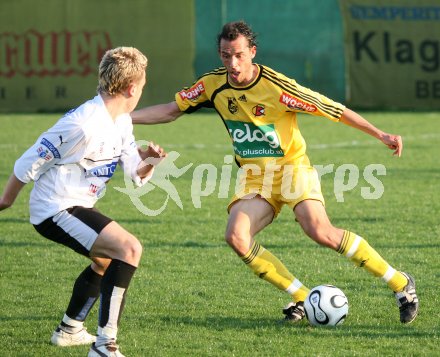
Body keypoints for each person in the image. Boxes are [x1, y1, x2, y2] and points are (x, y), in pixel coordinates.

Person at [130, 21, 418, 324]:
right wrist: (122, 118)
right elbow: (171, 109)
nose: (233, 63)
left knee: (319, 230)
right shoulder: (213, 85)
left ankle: (401, 284)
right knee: (237, 236)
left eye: (239, 55)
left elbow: (332, 109)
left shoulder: (278, 88)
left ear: (252, 52)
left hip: (292, 169)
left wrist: (380, 134)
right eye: (226, 56)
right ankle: (303, 297)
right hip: (256, 177)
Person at [0, 47, 166, 356]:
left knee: (106, 261)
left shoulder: (122, 121)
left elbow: (136, 175)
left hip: (77, 205)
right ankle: (105, 346)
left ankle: (69, 329)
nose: (142, 91)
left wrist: (151, 161)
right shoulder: (83, 123)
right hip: (54, 208)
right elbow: (28, 162)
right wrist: (6, 201)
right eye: (142, 86)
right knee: (129, 249)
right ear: (132, 88)